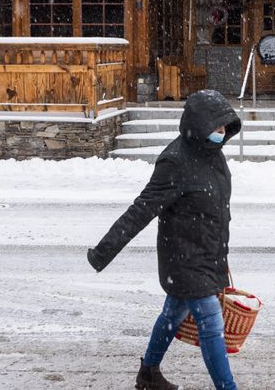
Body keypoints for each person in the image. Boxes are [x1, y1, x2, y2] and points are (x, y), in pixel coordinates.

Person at [87, 90, 241, 390]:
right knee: (211, 325)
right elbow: (141, 210)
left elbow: (216, 211)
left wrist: (220, 255)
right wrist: (104, 251)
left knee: (174, 312)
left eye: (225, 128)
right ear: (199, 125)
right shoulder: (175, 162)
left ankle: (148, 373)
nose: (221, 134)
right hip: (183, 260)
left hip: (206, 255)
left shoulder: (214, 155)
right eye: (216, 127)